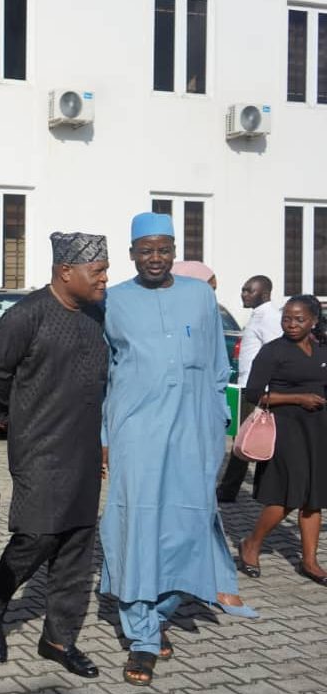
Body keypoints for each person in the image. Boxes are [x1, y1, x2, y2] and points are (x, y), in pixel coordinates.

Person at [99, 212, 249, 687]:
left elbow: (216, 364)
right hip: (135, 432)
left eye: (164, 249)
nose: (156, 258)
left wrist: (215, 420)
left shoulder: (200, 296)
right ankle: (142, 634)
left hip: (192, 431)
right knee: (136, 524)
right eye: (146, 250)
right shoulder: (114, 300)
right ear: (132, 254)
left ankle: (163, 604)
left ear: (174, 251)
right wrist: (105, 437)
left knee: (187, 521)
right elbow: (104, 372)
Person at [0, 232, 109, 679]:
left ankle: (58, 639)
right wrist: (18, 411)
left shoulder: (95, 315)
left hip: (84, 450)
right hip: (39, 449)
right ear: (65, 272)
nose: (105, 279)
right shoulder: (26, 315)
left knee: (76, 543)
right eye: (98, 271)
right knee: (37, 535)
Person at [236, 295, 327, 587]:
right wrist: (297, 398)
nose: (291, 324)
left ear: (313, 320)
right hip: (285, 430)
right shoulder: (273, 351)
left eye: (299, 319)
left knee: (313, 497)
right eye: (286, 318)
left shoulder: (322, 349)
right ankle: (251, 543)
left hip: (318, 431)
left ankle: (310, 561)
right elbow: (253, 394)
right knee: (288, 495)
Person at [217, 275, 283, 502]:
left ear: (264, 293)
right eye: (243, 290)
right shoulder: (257, 316)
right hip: (248, 385)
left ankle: (228, 490)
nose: (243, 294)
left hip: (258, 388)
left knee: (245, 440)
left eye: (249, 291)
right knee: (244, 439)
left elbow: (277, 352)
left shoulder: (270, 318)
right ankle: (231, 489)